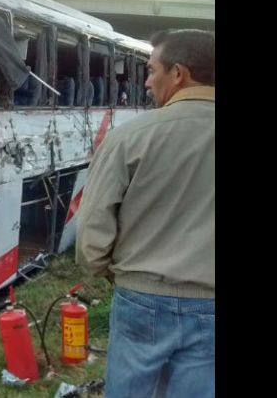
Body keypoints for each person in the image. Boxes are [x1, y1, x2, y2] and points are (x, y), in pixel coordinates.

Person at [75, 29, 214, 398]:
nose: (148, 82)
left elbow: (92, 225)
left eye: (152, 71)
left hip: (142, 294)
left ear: (179, 73)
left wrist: (104, 269)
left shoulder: (130, 137)